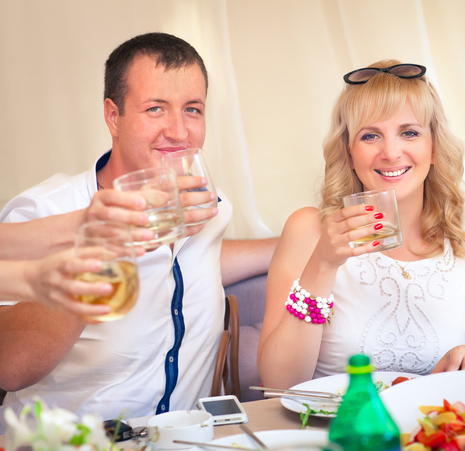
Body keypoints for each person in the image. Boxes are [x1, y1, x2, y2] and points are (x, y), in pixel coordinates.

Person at [0, 32, 276, 426]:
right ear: (113, 116)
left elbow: (190, 264)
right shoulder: (44, 211)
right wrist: (111, 248)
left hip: (183, 440)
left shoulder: (209, 207)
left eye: (192, 109)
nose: (179, 131)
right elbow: (11, 367)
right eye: (156, 109)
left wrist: (298, 241)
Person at [257, 60, 465, 389]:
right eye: (370, 135)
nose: (390, 152)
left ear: (434, 147)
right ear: (349, 153)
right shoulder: (310, 231)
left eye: (409, 133)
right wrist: (323, 263)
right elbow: (277, 384)